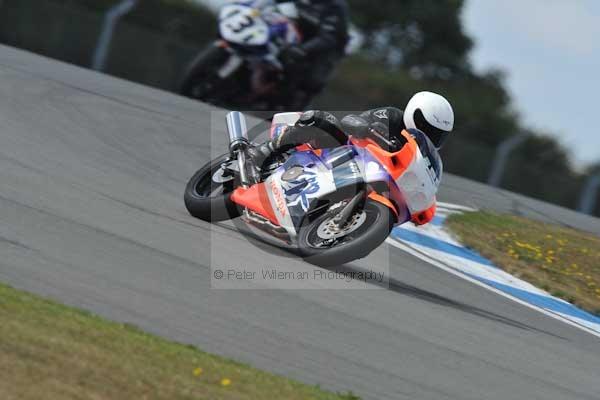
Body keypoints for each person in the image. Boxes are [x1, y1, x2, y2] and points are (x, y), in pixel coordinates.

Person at [249, 91, 455, 225]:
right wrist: (368, 128)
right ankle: (265, 152)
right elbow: (352, 120)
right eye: (427, 127)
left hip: (371, 180)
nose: (430, 134)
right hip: (343, 152)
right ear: (414, 112)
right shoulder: (392, 117)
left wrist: (426, 202)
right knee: (321, 120)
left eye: (437, 134)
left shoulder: (423, 155)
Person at [274, 0, 350, 107]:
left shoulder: (334, 5)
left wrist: (303, 49)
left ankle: (286, 106)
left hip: (326, 47)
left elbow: (328, 38)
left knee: (310, 82)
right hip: (297, 37)